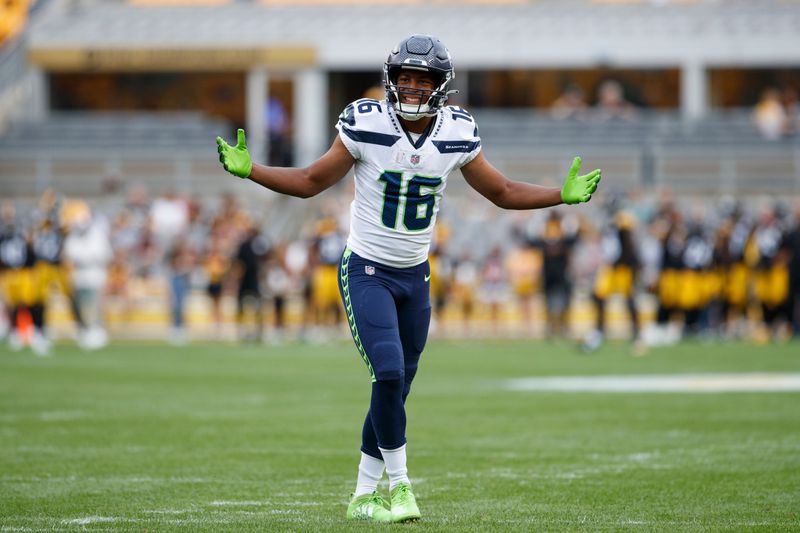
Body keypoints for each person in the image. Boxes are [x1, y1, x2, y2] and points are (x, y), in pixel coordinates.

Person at [216, 34, 601, 523]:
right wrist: (254, 171)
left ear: (441, 86)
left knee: (393, 387)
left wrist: (558, 196)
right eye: (405, 78)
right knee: (390, 371)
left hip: (415, 276)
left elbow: (501, 191)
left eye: (423, 80)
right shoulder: (366, 122)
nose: (413, 87)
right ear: (390, 80)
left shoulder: (457, 131)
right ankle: (400, 488)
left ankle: (361, 496)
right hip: (367, 270)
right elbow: (313, 181)